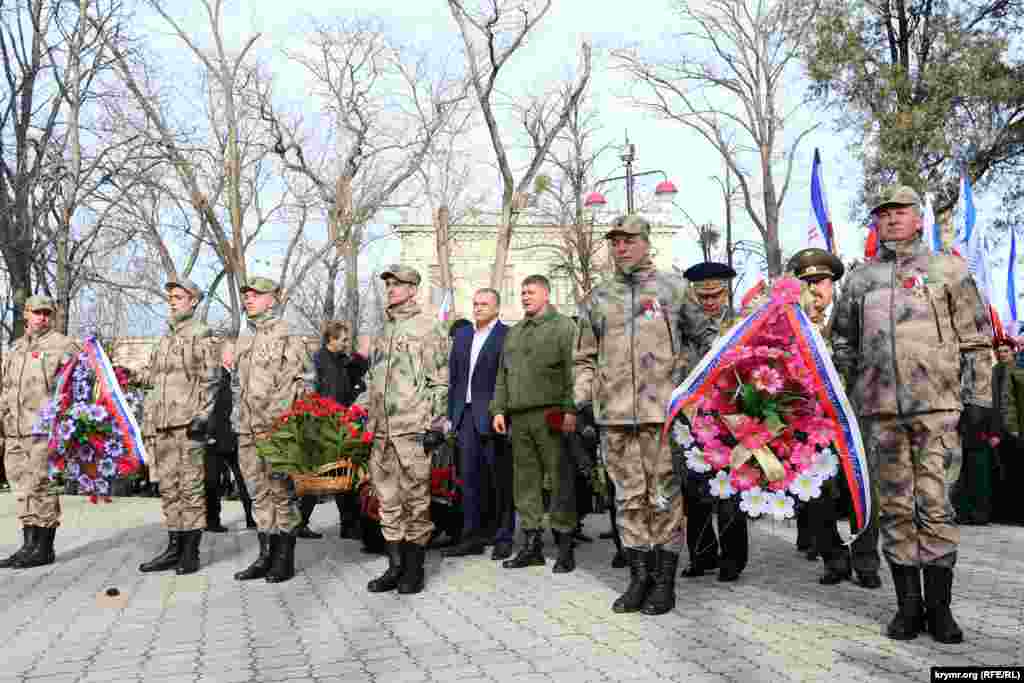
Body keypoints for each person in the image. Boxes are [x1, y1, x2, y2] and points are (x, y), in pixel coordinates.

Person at [833, 185, 993, 643]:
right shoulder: (860, 279)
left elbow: (977, 339)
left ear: (918, 218)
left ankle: (940, 611)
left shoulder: (949, 270)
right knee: (898, 510)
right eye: (883, 213)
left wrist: (980, 399)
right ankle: (907, 608)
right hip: (881, 413)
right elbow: (843, 341)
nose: (891, 219)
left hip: (937, 409)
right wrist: (846, 396)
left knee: (936, 507)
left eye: (900, 211)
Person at [575, 216, 717, 614]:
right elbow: (583, 357)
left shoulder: (673, 289)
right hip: (615, 417)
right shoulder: (597, 297)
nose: (621, 247)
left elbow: (707, 339)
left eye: (628, 240)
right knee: (627, 499)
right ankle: (639, 578)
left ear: (646, 242)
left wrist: (690, 383)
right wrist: (583, 401)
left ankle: (664, 584)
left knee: (664, 497)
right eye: (615, 242)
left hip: (663, 414)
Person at [787, 248, 882, 589]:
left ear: (833, 284)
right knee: (817, 497)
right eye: (807, 281)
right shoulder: (791, 324)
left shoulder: (850, 315)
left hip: (855, 420)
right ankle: (833, 557)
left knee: (863, 490)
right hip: (811, 426)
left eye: (822, 281)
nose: (815, 288)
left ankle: (867, 560)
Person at [359, 265, 449, 595]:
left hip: (412, 430)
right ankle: (394, 566)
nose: (392, 289)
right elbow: (373, 379)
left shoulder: (429, 328)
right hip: (382, 432)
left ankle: (414, 568)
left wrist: (435, 424)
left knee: (416, 501)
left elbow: (440, 381)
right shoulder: (384, 330)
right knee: (387, 501)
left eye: (398, 284)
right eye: (388, 285)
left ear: (413, 289)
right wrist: (363, 412)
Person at [228, 277, 315, 584]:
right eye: (246, 295)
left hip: (276, 429)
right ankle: (265, 555)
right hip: (247, 429)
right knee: (257, 492)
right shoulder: (244, 338)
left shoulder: (287, 334)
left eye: (255, 295)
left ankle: (284, 559)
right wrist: (238, 419)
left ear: (272, 299)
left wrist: (282, 421)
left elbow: (305, 381)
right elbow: (236, 383)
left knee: (281, 491)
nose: (248, 299)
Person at [492, 274, 578, 573]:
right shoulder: (514, 333)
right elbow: (502, 375)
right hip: (520, 417)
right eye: (522, 292)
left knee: (559, 480)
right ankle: (532, 546)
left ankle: (565, 545)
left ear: (546, 294)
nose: (525, 297)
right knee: (525, 482)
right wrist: (498, 410)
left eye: (530, 292)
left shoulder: (564, 326)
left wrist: (571, 410)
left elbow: (573, 372)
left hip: (552, 414)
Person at [137, 279, 220, 575]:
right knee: (169, 488)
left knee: (190, 488)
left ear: (193, 301)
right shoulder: (164, 339)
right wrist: (125, 375)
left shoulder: (202, 334)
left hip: (187, 423)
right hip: (161, 424)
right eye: (170, 297)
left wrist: (203, 415)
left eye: (179, 297)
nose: (172, 301)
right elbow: (152, 377)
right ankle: (173, 547)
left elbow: (212, 378)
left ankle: (190, 552)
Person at [679, 261, 750, 584]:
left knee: (729, 491)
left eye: (715, 295)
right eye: (702, 296)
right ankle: (700, 555)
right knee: (695, 491)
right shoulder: (683, 326)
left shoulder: (740, 324)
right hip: (692, 417)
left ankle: (732, 560)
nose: (709, 302)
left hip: (728, 418)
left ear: (726, 292)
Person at [0, 295, 80, 569]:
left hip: (43, 430)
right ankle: (28, 545)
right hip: (15, 431)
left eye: (47, 313)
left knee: (42, 487)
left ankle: (44, 548)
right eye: (37, 312)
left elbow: (77, 387)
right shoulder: (15, 348)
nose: (42, 317)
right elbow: (6, 389)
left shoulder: (64, 346)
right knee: (22, 488)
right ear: (26, 314)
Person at [442, 288, 515, 561]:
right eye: (475, 304)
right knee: (469, 481)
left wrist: (503, 412)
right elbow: (455, 379)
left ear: (497, 308)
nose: (478, 308)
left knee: (499, 479)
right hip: (465, 417)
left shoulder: (506, 336)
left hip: (494, 416)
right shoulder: (462, 336)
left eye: (484, 304)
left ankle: (503, 536)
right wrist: (451, 415)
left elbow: (508, 377)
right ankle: (471, 536)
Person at [296, 320, 370, 540]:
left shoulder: (342, 360)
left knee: (342, 473)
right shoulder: (319, 360)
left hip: (341, 424)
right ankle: (300, 522)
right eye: (344, 339)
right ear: (331, 339)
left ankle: (347, 524)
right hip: (323, 425)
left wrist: (362, 356)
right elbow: (318, 393)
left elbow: (357, 375)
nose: (347, 343)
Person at [204, 366, 256, 532]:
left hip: (237, 435)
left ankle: (252, 517)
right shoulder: (211, 375)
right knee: (212, 481)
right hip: (214, 437)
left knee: (246, 480)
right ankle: (212, 521)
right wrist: (207, 432)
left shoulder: (241, 374)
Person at [991, 339, 1024, 524]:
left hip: (1017, 428)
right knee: (1005, 473)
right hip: (1002, 429)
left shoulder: (1018, 368)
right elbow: (996, 403)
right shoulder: (995, 371)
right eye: (1000, 351)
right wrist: (995, 431)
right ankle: (1006, 513)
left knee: (1018, 473)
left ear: (1013, 351)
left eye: (1005, 351)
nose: (1002, 354)